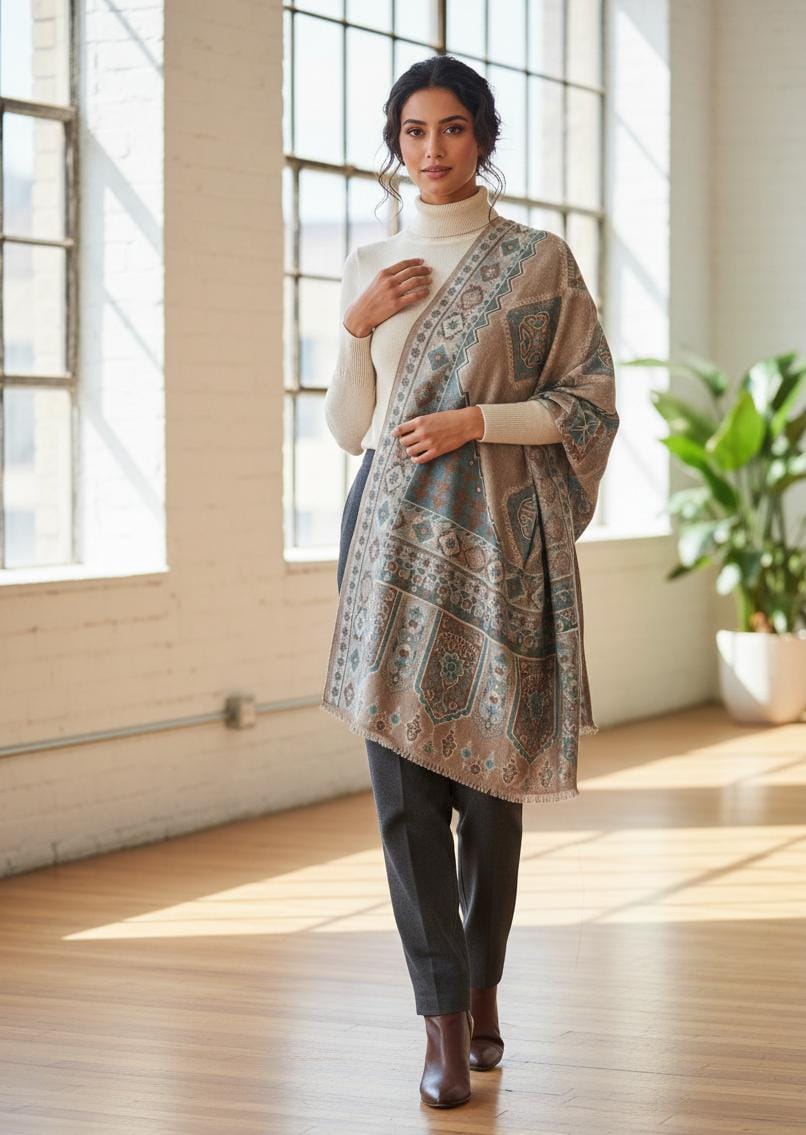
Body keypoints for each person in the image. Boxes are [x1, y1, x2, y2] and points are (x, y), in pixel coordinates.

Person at [321, 54, 619, 1109]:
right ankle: (440, 1023)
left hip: (498, 542)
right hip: (388, 545)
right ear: (394, 145)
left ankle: (483, 986)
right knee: (404, 801)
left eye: (452, 129)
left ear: (481, 138)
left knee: (488, 800)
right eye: (412, 132)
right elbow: (353, 431)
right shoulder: (372, 258)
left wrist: (474, 421)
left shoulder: (536, 262)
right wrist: (355, 328)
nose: (432, 150)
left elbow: (585, 401)